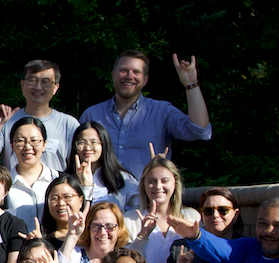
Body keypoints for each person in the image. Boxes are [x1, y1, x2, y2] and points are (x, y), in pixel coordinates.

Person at [79, 50, 211, 176]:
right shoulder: (91, 115)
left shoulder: (161, 112)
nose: (129, 76)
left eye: (136, 72)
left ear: (145, 79)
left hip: (146, 197)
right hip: (101, 197)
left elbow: (199, 131)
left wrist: (191, 84)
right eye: (123, 70)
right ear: (113, 75)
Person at [125, 156, 199, 263]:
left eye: (164, 181)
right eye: (151, 181)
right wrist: (142, 236)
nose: (158, 186)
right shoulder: (130, 219)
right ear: (143, 185)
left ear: (175, 183)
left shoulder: (192, 217)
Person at [0, 60, 79, 172]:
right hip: (15, 187)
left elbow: (77, 166)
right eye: (32, 81)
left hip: (56, 188)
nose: (38, 87)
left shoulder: (68, 124)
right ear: (22, 84)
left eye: (46, 82)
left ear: (55, 88)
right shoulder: (7, 120)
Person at [66, 122, 138, 210]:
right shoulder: (66, 179)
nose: (88, 148)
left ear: (103, 144)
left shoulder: (122, 178)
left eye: (94, 142)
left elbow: (139, 207)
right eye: (82, 142)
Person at [5, 117, 60, 228]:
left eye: (34, 141)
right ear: (12, 145)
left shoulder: (58, 180)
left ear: (44, 144)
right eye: (20, 141)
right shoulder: (4, 184)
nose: (28, 147)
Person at [40, 175, 88, 252]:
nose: (61, 203)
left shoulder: (93, 234)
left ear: (81, 201)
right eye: (54, 198)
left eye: (67, 197)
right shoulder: (43, 240)